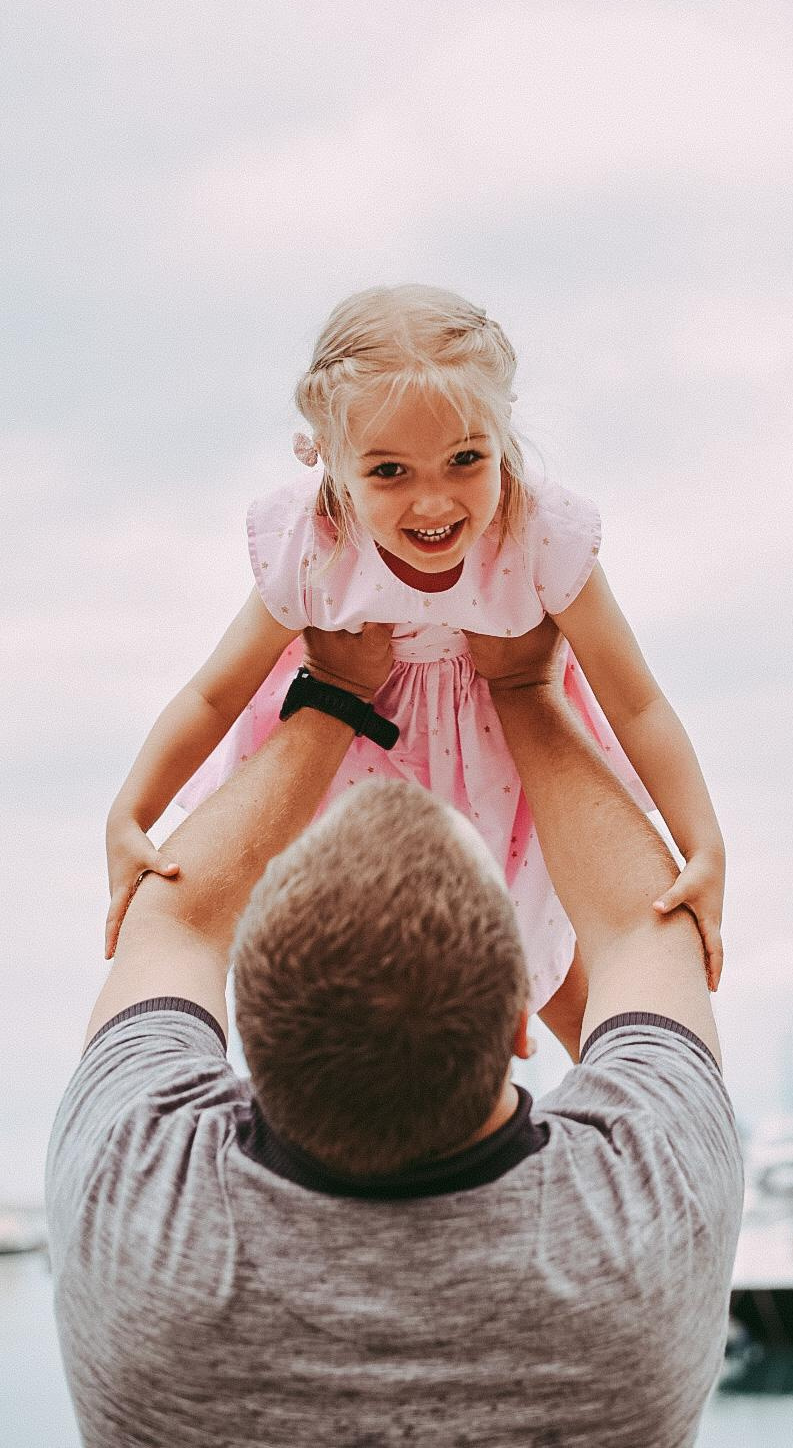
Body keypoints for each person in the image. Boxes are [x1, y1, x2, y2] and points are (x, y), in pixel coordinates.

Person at [47, 617, 743, 1447]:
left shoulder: (137, 1207)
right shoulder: (639, 1234)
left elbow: (175, 920)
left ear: (243, 1037)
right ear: (522, 1021)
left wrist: (331, 694)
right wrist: (525, 690)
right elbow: (644, 926)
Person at [104, 284, 726, 1054]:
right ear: (331, 464)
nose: (432, 499)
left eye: (465, 459)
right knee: (355, 981)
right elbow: (212, 692)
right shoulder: (314, 544)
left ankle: (626, 1124)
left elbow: (635, 702)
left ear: (503, 437)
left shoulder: (537, 535)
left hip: (506, 764)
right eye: (389, 471)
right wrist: (130, 812)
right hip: (357, 769)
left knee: (554, 961)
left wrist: (701, 843)